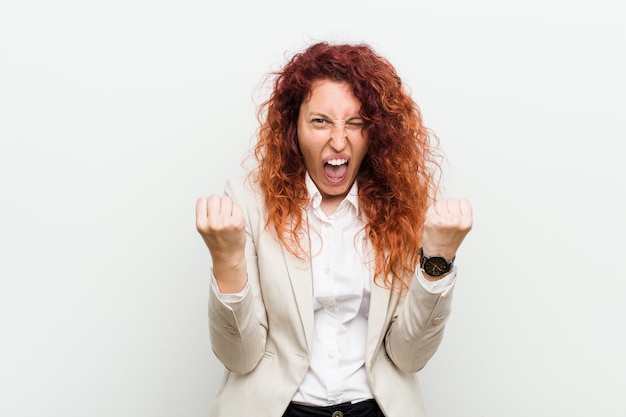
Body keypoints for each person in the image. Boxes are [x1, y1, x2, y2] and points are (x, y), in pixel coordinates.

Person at [195, 41, 472, 417]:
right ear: (294, 127)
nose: (338, 141)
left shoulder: (402, 206)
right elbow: (239, 358)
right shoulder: (249, 201)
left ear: (375, 132)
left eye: (355, 123)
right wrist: (227, 260)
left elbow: (408, 357)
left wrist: (437, 261)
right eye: (320, 121)